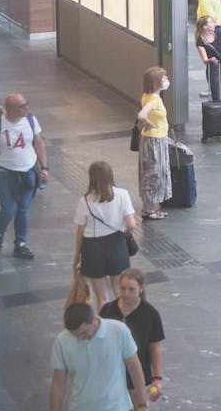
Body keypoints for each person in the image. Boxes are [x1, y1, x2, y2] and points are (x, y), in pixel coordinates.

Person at [0, 92, 46, 260]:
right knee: (8, 208)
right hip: (4, 172)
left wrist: (45, 167)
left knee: (23, 209)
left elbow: (39, 142)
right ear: (10, 109)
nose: (26, 108)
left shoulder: (30, 120)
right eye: (21, 106)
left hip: (28, 171)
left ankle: (20, 245)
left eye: (26, 104)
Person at [50, 302, 149, 411]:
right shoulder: (62, 341)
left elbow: (134, 367)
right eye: (75, 335)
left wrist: (142, 404)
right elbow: (58, 383)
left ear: (93, 320)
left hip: (117, 407)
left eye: (84, 333)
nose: (79, 338)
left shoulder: (118, 330)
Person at [74, 160, 139, 309]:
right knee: (119, 293)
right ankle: (121, 326)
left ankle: (105, 327)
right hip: (117, 245)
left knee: (102, 298)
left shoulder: (84, 201)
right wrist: (124, 234)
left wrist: (77, 256)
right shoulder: (122, 195)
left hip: (92, 249)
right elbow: (131, 225)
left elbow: (80, 232)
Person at [100, 269, 166, 403]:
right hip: (112, 374)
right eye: (122, 289)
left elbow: (154, 348)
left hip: (138, 375)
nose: (126, 294)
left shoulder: (150, 314)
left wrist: (157, 378)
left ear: (141, 289)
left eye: (131, 289)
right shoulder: (107, 310)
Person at [134, 67, 174, 221]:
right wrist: (149, 123)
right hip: (154, 141)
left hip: (153, 139)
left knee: (150, 172)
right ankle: (149, 209)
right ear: (157, 82)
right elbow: (141, 115)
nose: (166, 81)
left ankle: (150, 206)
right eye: (163, 79)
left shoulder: (148, 95)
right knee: (154, 173)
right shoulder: (154, 99)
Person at [195, 16, 221, 102]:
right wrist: (211, 59)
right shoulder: (201, 41)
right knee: (216, 96)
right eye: (211, 22)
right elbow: (204, 60)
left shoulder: (217, 34)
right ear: (205, 26)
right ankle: (217, 113)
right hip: (213, 69)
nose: (213, 23)